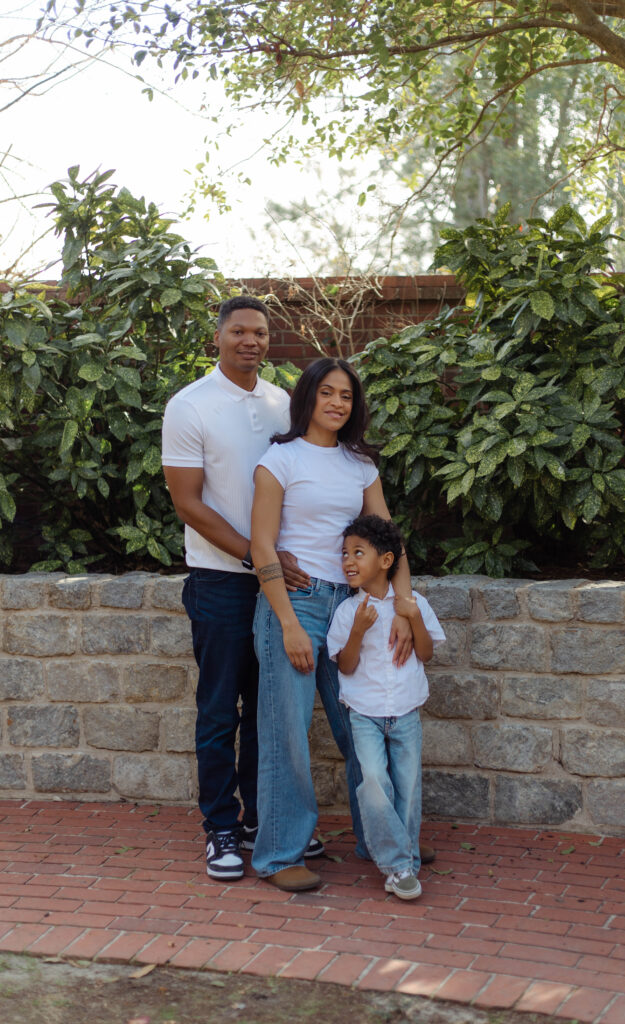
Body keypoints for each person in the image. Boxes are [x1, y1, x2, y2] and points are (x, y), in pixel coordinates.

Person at [250, 357, 423, 892]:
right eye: (327, 392)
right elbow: (262, 546)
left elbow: (390, 540)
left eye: (346, 395)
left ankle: (385, 842)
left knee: (361, 727)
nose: (337, 403)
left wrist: (403, 607)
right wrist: (287, 624)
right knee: (287, 732)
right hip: (297, 604)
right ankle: (280, 856)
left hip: (352, 607)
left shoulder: (359, 465)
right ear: (308, 397)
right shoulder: (279, 460)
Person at [161, 295, 319, 882]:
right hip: (220, 579)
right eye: (239, 331)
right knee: (219, 711)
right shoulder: (190, 405)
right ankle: (221, 827)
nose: (250, 341)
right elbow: (188, 503)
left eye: (260, 332)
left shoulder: (282, 403)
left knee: (267, 711)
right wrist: (257, 556)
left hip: (276, 581)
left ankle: (261, 821)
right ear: (219, 337)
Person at [326, 515, 445, 900]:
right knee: (375, 782)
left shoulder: (414, 604)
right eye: (345, 553)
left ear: (386, 560)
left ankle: (404, 864)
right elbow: (345, 666)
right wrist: (358, 631)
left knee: (407, 789)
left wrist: (413, 617)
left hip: (406, 712)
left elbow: (425, 653)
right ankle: (397, 865)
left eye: (358, 552)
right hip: (364, 714)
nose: (348, 560)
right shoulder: (348, 612)